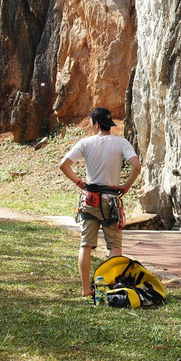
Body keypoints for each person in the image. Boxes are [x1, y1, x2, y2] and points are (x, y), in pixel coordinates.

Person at [59, 107, 141, 297]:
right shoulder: (121, 143)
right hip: (111, 199)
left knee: (86, 244)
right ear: (108, 123)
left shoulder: (86, 143)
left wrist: (79, 182)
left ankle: (86, 288)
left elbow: (63, 164)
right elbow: (136, 165)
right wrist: (126, 186)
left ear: (95, 124)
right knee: (114, 245)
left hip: (90, 198)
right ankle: (111, 285)